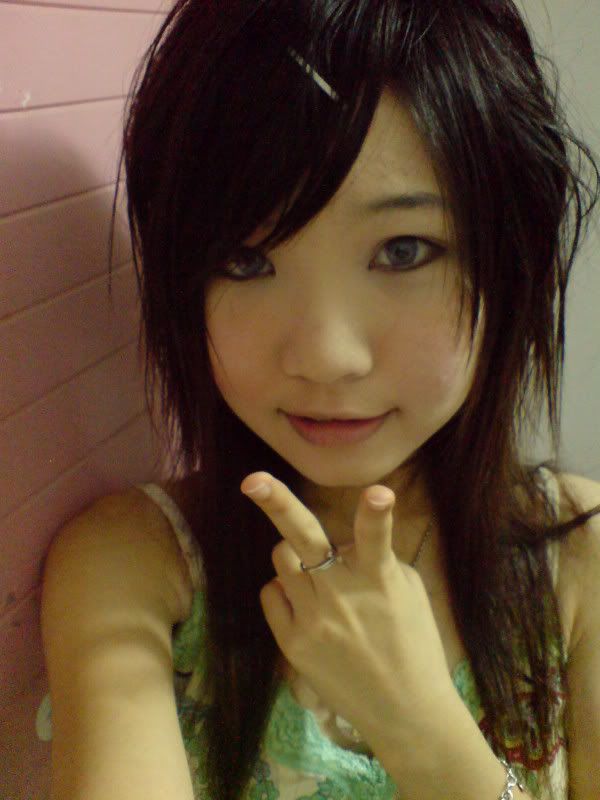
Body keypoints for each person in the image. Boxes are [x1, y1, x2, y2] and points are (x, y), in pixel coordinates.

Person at [40, 2, 600, 799]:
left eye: (404, 250)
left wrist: (422, 730)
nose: (327, 358)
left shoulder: (580, 560)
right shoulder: (137, 566)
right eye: (245, 260)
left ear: (510, 260)